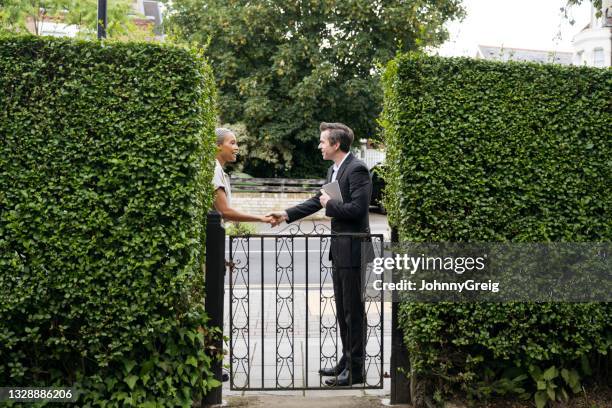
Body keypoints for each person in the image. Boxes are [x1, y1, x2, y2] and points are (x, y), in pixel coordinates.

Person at [267, 122, 373, 386]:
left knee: (353, 311)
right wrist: (286, 214)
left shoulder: (357, 168)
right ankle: (347, 361)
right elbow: (317, 200)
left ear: (336, 144)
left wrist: (331, 205)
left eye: (323, 141)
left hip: (354, 250)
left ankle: (357, 370)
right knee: (342, 311)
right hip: (339, 251)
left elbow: (358, 210)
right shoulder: (334, 169)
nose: (319, 145)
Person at [213, 127, 273, 225]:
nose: (237, 147)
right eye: (232, 143)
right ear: (218, 145)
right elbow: (225, 212)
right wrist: (262, 218)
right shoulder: (215, 170)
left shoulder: (218, 170)